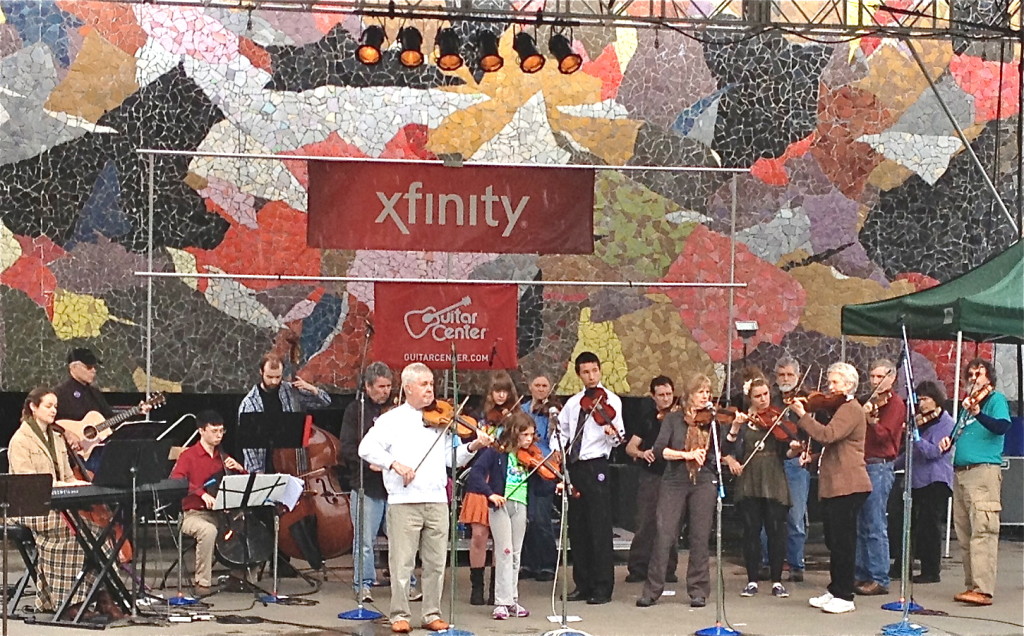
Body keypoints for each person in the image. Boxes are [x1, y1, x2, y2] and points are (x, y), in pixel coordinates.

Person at [358, 363, 493, 634]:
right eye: (424, 384)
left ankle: (431, 613)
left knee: (435, 562)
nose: (430, 389)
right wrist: (394, 464)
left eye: (431, 384)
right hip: (404, 500)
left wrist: (473, 446)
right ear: (408, 388)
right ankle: (399, 614)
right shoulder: (391, 420)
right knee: (402, 561)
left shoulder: (439, 420)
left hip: (436, 498)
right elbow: (366, 448)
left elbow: (449, 458)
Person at [8, 387, 123, 620]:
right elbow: (26, 482)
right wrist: (59, 485)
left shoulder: (57, 437)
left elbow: (68, 476)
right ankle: (69, 601)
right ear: (33, 407)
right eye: (48, 406)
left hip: (57, 505)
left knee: (98, 533)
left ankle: (102, 596)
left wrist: (77, 484)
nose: (54, 411)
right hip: (30, 507)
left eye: (55, 407)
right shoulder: (20, 440)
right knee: (72, 536)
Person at [790, 362, 872, 614]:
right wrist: (811, 458)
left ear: (848, 385)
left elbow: (828, 435)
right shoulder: (839, 409)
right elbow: (833, 448)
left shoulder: (850, 409)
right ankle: (836, 588)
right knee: (834, 540)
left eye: (835, 382)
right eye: (830, 381)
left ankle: (845, 596)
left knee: (843, 542)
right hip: (835, 484)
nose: (829, 387)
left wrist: (803, 416)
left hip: (849, 484)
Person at [636, 373, 718, 609]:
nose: (705, 396)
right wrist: (687, 455)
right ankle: (652, 590)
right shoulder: (673, 419)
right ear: (690, 395)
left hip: (703, 480)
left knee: (700, 535)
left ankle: (698, 590)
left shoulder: (711, 421)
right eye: (700, 392)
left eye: (707, 392)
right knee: (664, 533)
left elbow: (719, 452)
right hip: (674, 479)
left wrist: (732, 429)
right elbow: (661, 450)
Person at [938, 358, 1012, 606]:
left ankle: (983, 588)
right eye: (969, 374)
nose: (973, 378)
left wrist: (979, 414)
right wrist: (948, 441)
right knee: (965, 531)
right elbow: (958, 431)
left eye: (978, 374)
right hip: (961, 471)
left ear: (989, 377)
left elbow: (1001, 427)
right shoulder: (967, 405)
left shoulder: (995, 400)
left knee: (983, 529)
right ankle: (971, 585)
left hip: (983, 471)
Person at [555, 351, 625, 605]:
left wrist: (610, 432)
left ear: (600, 370)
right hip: (576, 466)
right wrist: (558, 451)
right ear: (579, 375)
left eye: (594, 370)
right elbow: (561, 432)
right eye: (585, 372)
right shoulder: (573, 403)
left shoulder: (612, 401)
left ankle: (602, 586)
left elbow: (619, 437)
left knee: (599, 526)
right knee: (579, 527)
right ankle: (582, 584)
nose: (591, 376)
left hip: (597, 465)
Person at [723, 377, 796, 599]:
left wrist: (795, 448)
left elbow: (787, 452)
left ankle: (777, 581)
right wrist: (732, 454)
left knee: (776, 531)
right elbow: (726, 448)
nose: (763, 400)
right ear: (750, 398)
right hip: (750, 478)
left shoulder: (777, 418)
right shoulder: (742, 421)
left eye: (766, 395)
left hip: (773, 477)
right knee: (751, 531)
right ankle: (752, 580)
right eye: (758, 396)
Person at [466, 411, 537, 620]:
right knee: (504, 552)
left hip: (520, 504)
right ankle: (501, 601)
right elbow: (476, 474)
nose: (529, 440)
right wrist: (490, 493)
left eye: (532, 435)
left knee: (516, 554)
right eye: (525, 435)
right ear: (514, 433)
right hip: (501, 504)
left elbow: (540, 484)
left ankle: (513, 599)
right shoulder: (497, 452)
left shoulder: (529, 456)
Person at [169, 410, 245, 596]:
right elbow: (176, 480)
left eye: (221, 431)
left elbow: (239, 485)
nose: (219, 435)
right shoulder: (188, 456)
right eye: (214, 431)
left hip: (222, 513)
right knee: (208, 530)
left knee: (247, 525)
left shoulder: (223, 456)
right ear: (201, 431)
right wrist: (202, 494)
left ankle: (239, 576)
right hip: (193, 514)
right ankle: (202, 583)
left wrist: (240, 470)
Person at [337, 361, 394, 603]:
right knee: (365, 539)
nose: (386, 391)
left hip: (394, 484)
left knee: (401, 537)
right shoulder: (355, 410)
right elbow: (347, 447)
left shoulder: (397, 411)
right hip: (366, 482)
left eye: (389, 386)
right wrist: (367, 462)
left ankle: (406, 582)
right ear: (368, 387)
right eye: (381, 387)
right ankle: (363, 583)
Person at [461, 371, 519, 605]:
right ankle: (477, 586)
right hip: (480, 478)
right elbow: (468, 444)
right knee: (478, 536)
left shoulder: (516, 417)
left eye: (505, 390)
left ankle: (498, 587)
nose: (501, 395)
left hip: (502, 479)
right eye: (497, 390)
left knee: (501, 537)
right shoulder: (480, 417)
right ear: (490, 392)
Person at [892, 380, 953, 584]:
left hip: (935, 480)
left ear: (936, 400)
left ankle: (931, 570)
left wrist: (916, 437)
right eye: (919, 400)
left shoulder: (946, 423)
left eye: (925, 399)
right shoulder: (920, 421)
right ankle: (902, 566)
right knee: (907, 525)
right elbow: (910, 452)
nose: (921, 405)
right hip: (916, 480)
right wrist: (890, 464)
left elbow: (933, 452)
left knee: (930, 526)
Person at [53, 348, 150, 473]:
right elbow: (47, 422)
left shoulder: (95, 393)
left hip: (98, 453)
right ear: (74, 367)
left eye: (94, 366)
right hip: (73, 457)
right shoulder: (60, 393)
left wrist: (135, 412)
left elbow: (110, 419)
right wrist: (66, 432)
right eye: (88, 367)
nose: (93, 370)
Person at [854, 359, 904, 596]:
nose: (874, 381)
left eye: (879, 377)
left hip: (880, 465)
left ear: (891, 378)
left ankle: (879, 576)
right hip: (863, 463)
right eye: (872, 377)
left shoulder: (895, 404)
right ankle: (862, 572)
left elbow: (886, 435)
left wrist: (871, 421)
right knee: (861, 521)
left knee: (875, 522)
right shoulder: (869, 400)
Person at [238, 352, 332, 473]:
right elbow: (249, 447)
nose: (274, 381)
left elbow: (325, 402)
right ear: (261, 372)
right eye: (269, 377)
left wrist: (312, 389)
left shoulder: (290, 391)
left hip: (290, 464)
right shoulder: (249, 404)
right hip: (265, 464)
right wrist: (257, 475)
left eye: (278, 377)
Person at [625, 376, 679, 584]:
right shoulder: (647, 418)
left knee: (670, 524)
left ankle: (668, 568)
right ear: (653, 397)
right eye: (661, 395)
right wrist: (641, 453)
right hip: (651, 475)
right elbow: (630, 447)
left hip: (674, 476)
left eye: (669, 394)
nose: (666, 399)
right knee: (646, 521)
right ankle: (638, 567)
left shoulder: (680, 417)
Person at [769, 356, 811, 582]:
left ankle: (796, 564)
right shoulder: (771, 401)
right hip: (773, 461)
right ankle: (768, 562)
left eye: (790, 375)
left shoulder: (806, 401)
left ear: (798, 376)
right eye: (782, 375)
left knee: (795, 516)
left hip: (796, 462)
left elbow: (816, 430)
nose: (786, 379)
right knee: (770, 516)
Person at [519, 374, 558, 582]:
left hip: (546, 466)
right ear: (530, 387)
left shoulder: (553, 411)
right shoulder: (523, 410)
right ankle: (528, 563)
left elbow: (558, 437)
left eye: (545, 386)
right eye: (537, 385)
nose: (541, 389)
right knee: (526, 517)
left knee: (541, 517)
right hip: (524, 464)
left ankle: (548, 564)